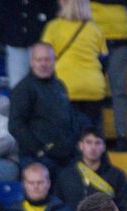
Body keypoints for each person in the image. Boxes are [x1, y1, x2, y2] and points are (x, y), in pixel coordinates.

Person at [68, 0, 127, 149]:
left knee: (119, 90)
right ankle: (94, 138)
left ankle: (122, 135)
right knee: (94, 93)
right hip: (90, 41)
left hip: (118, 38)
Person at [42, 0, 109, 135]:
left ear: (65, 1)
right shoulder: (95, 28)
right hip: (93, 87)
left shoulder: (53, 27)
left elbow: (45, 59)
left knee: (66, 135)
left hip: (65, 86)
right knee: (92, 136)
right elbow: (104, 59)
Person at [8, 43, 79, 178]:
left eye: (47, 59)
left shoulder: (59, 85)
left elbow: (69, 117)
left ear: (54, 61)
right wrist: (39, 150)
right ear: (31, 62)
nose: (43, 64)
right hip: (38, 160)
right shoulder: (23, 89)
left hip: (65, 158)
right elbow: (15, 125)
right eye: (39, 60)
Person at [56, 128, 127, 211]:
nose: (93, 147)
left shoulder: (117, 176)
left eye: (97, 143)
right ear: (80, 145)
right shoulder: (66, 175)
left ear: (104, 147)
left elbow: (125, 209)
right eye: (89, 142)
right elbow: (58, 208)